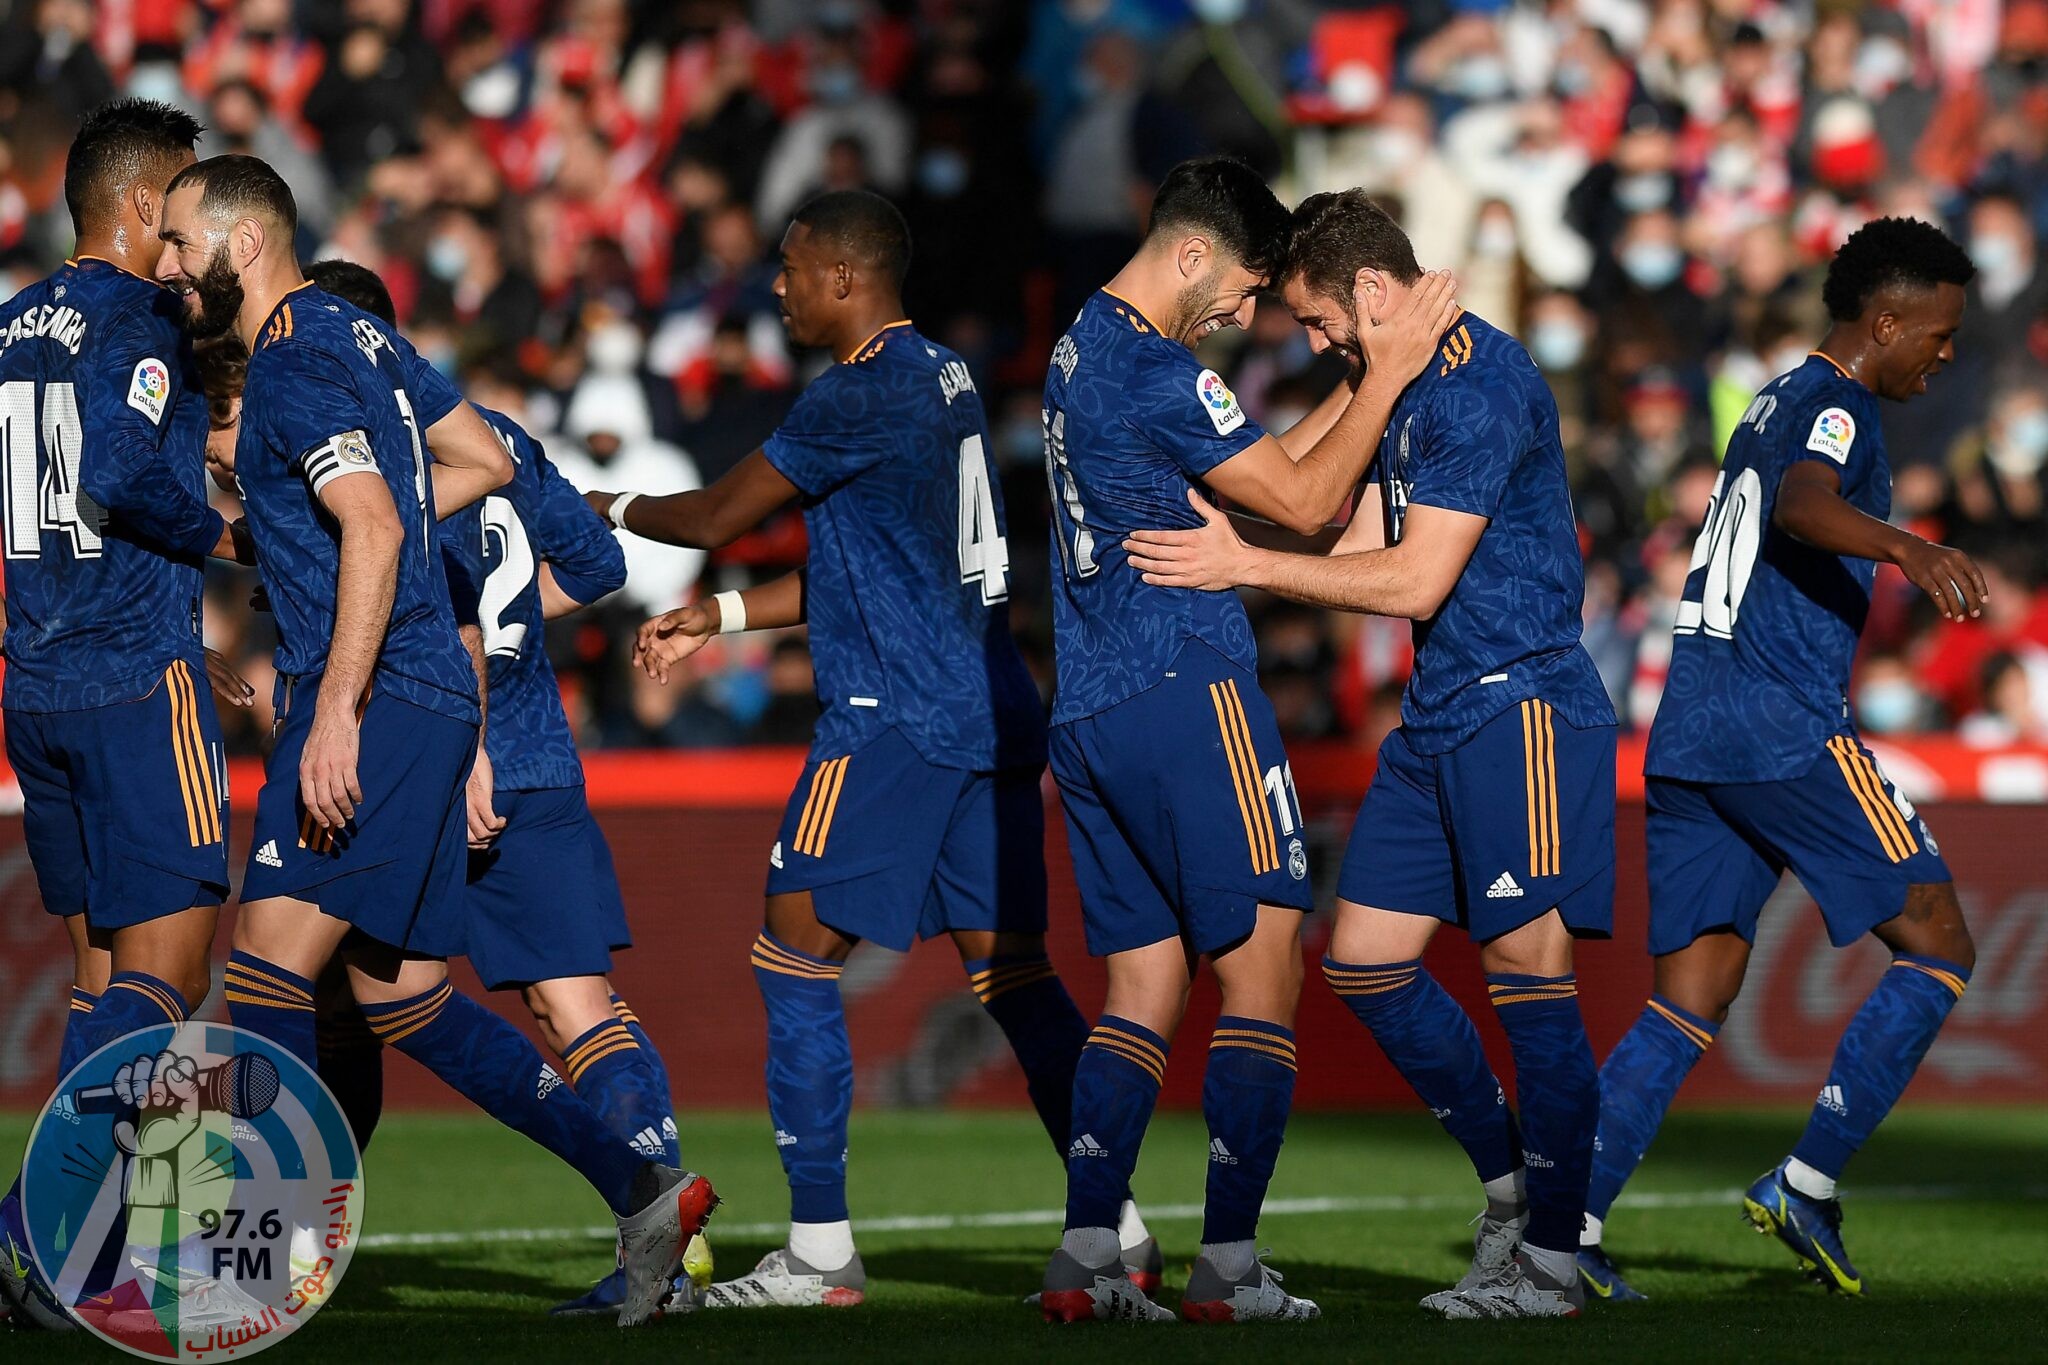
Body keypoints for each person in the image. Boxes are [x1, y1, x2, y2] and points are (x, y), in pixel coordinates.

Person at [151, 153, 711, 1327]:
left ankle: (250, 1265)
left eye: (178, 242)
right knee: (398, 995)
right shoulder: (366, 344)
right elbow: (486, 462)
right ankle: (640, 1188)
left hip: (373, 698)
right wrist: (303, 544)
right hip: (430, 697)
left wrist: (339, 706)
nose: (166, 264)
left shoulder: (296, 363)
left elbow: (366, 518)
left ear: (242, 244)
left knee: (259, 970)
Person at [596, 189, 1162, 1309]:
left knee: (791, 960)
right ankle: (1115, 1228)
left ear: (846, 279)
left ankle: (818, 1255)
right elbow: (880, 568)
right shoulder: (946, 377)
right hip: (987, 706)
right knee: (1018, 979)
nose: (778, 284)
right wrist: (725, 617)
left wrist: (599, 502)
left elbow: (713, 514)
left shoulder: (851, 394)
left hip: (893, 716)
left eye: (793, 267)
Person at [1124, 188, 1617, 1319]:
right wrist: (1216, 531)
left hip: (1521, 705)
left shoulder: (1481, 388)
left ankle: (1549, 1264)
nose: (1309, 342)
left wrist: (1236, 566)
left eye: (1314, 319)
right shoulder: (1393, 384)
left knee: (1527, 977)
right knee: (1363, 961)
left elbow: (1411, 579)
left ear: (1374, 292)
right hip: (1441, 710)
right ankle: (1511, 1196)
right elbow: (1342, 526)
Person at [1039, 162, 1456, 1324]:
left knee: (1140, 989)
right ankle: (1228, 1267)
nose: (1245, 314)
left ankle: (1084, 1260)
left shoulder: (1080, 343)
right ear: (1188, 255)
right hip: (1186, 687)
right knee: (1263, 975)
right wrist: (1393, 370)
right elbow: (1311, 503)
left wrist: (1361, 382)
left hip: (1089, 706)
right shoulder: (1161, 368)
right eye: (1240, 289)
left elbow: (1267, 468)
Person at [1576, 217, 1982, 1301]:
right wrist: (1906, 544)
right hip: (1780, 723)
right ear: (1880, 322)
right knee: (1938, 944)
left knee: (1686, 997)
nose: (1942, 354)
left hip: (1692, 726)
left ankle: (1562, 1234)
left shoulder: (1770, 394)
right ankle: (1806, 1181)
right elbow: (1804, 504)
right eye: (1934, 334)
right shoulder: (1838, 408)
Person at [284, 259, 700, 1317]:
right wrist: (519, 643)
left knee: (334, 997)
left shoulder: (379, 446)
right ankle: (660, 1224)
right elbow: (598, 565)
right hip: (540, 755)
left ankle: (296, 1244)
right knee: (574, 1008)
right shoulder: (500, 436)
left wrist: (468, 721)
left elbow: (443, 615)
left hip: (433, 752)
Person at [0, 99, 247, 1331]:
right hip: (132, 673)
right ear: (146, 206)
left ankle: (82, 1266)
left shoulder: (7, 326)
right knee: (175, 964)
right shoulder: (141, 312)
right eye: (191, 203)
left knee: (105, 972)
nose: (200, 233)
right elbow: (110, 471)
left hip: (34, 679)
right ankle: (29, 1225)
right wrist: (229, 534)